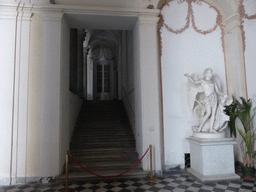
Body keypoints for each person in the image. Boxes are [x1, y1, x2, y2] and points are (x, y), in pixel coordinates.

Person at [184, 68, 225, 132]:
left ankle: (211, 128)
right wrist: (188, 76)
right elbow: (194, 82)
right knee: (208, 113)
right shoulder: (203, 81)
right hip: (207, 98)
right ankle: (200, 127)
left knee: (213, 113)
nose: (211, 74)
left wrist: (223, 94)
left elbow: (217, 91)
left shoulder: (213, 81)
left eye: (211, 72)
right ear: (205, 73)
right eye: (209, 72)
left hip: (214, 98)